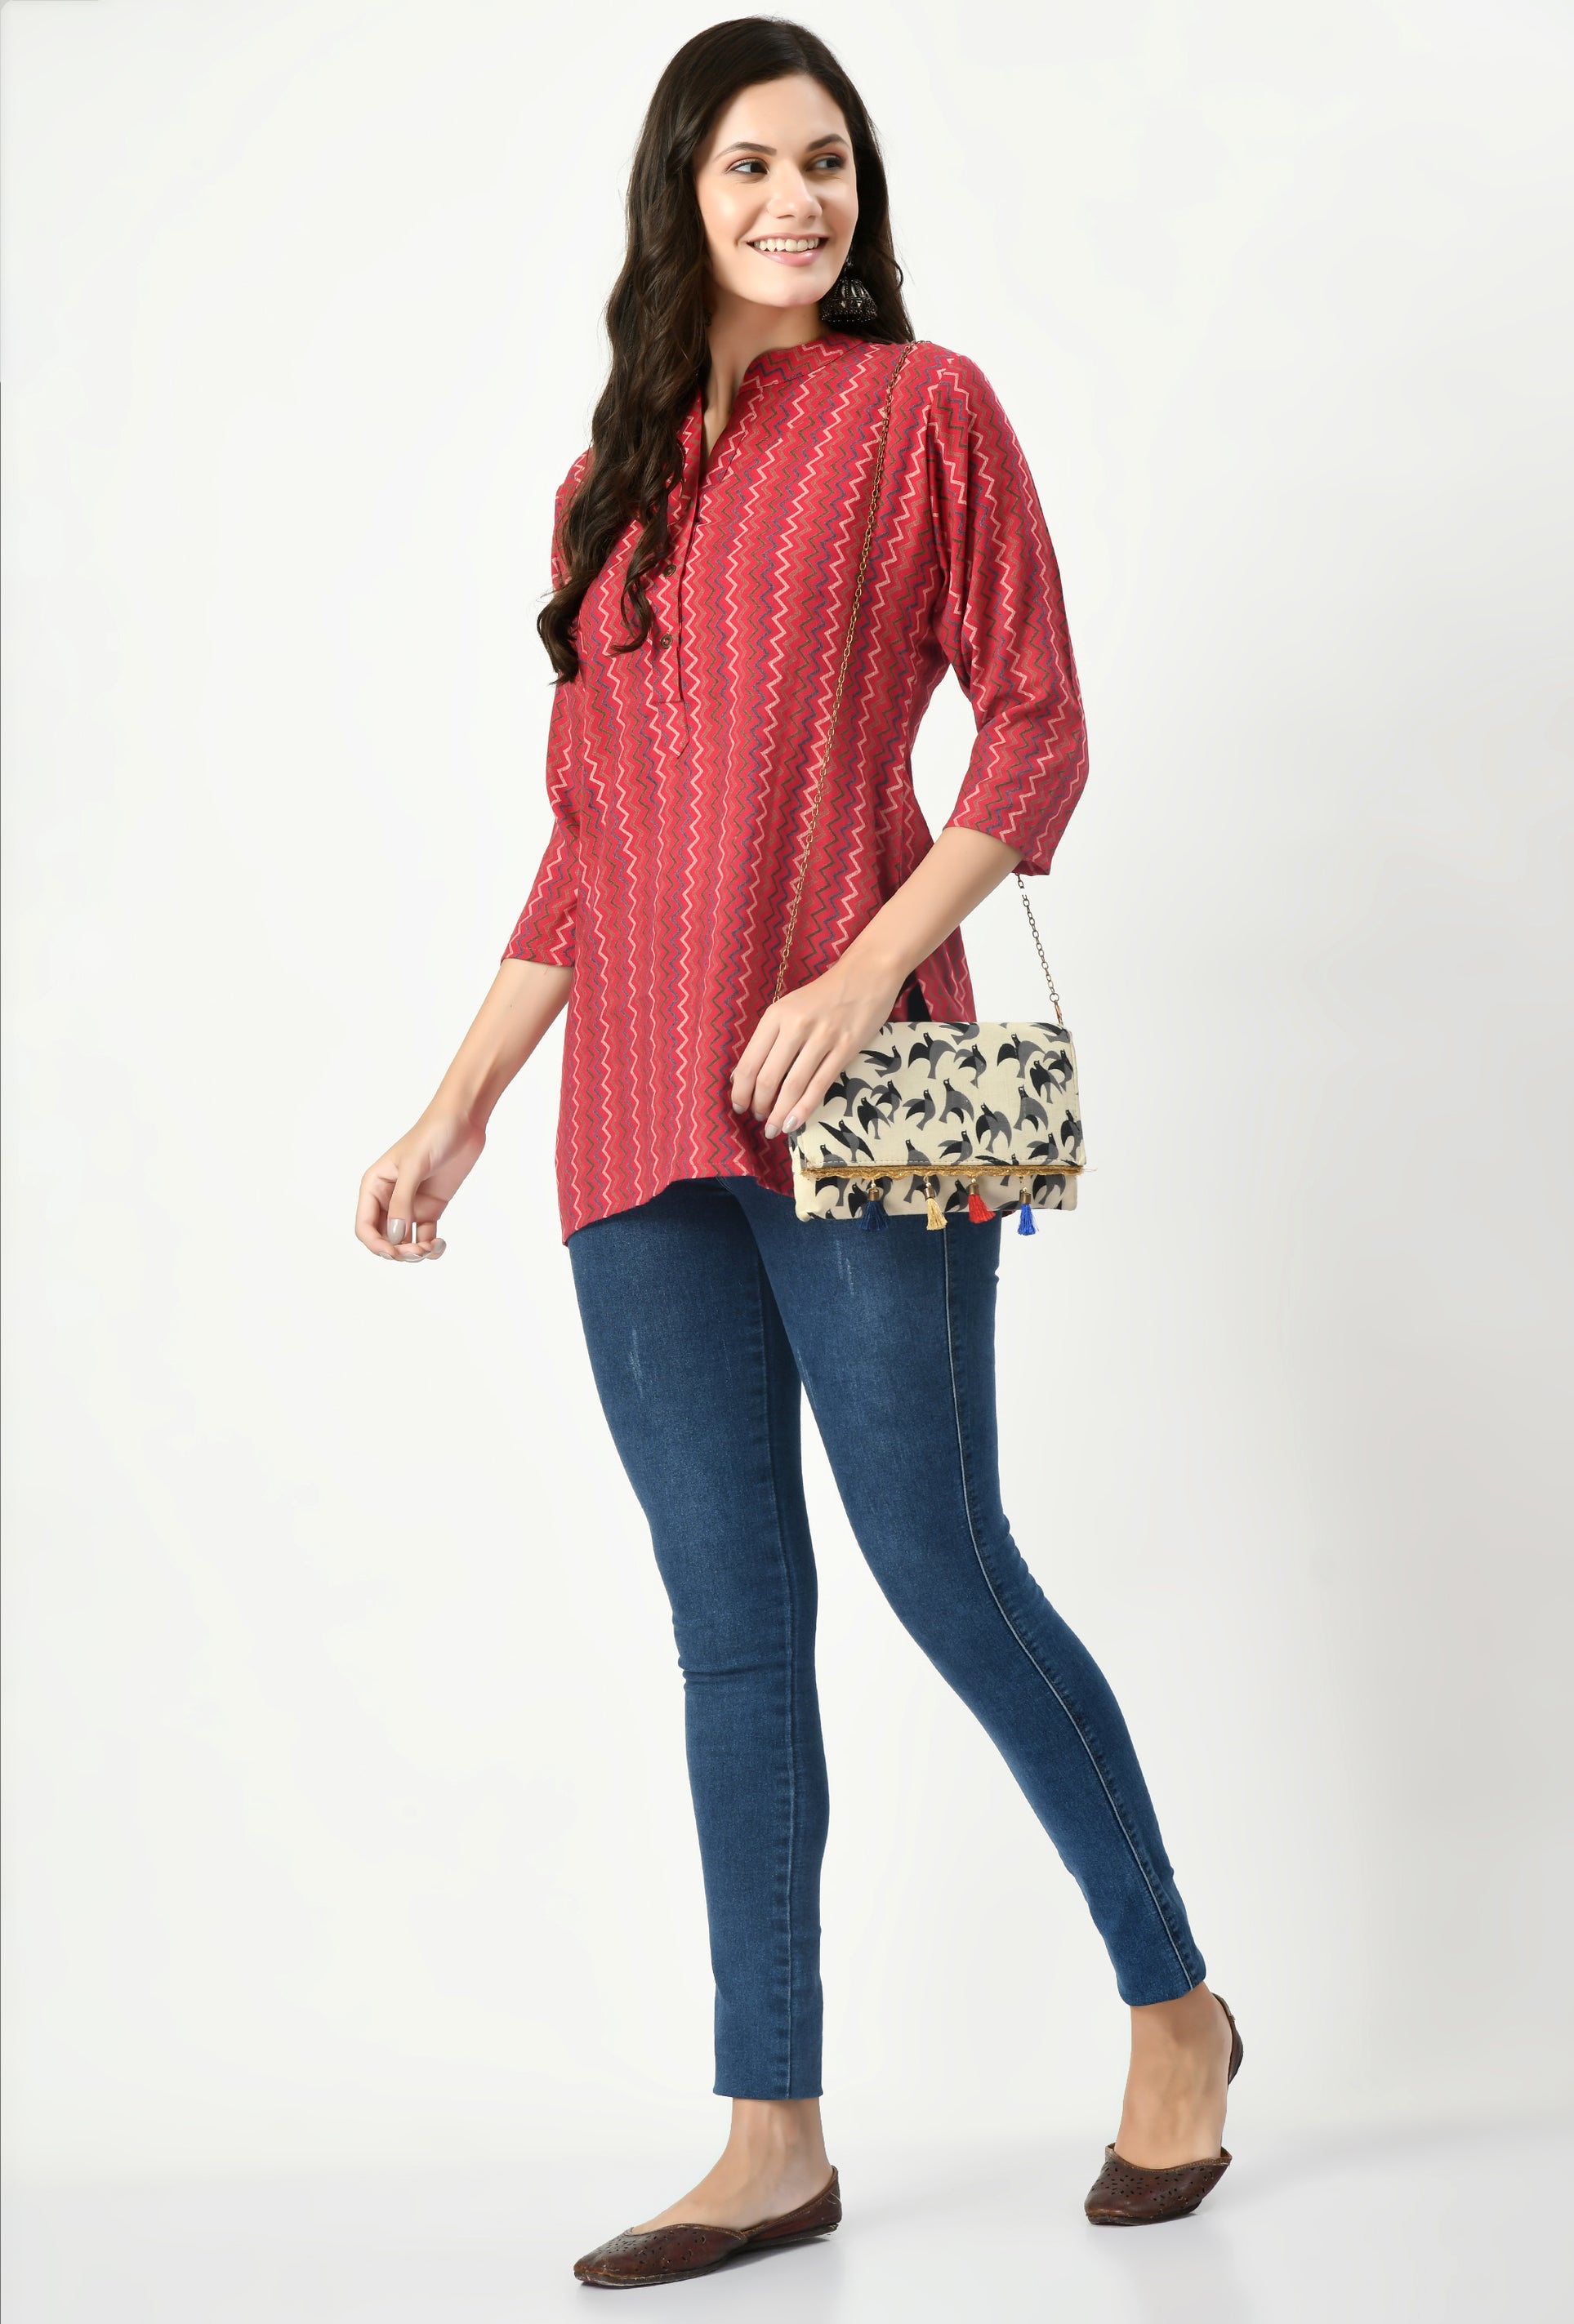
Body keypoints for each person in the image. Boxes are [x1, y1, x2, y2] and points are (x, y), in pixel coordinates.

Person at [356, 17, 1240, 2292]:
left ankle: (1173, 2006)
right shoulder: (609, 480)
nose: (796, 199)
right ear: (682, 191)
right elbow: (586, 844)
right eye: (752, 162)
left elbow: (1034, 726)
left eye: (827, 160)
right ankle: (770, 2136)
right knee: (731, 1636)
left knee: (943, 1562)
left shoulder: (923, 409)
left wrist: (865, 968)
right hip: (629, 1122)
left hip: (866, 1099)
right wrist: (458, 1105)